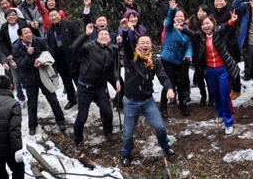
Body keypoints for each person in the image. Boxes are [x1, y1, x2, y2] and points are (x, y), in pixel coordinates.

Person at [116, 32, 175, 167]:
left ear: (151, 46)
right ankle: (126, 154)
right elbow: (127, 45)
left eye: (147, 43)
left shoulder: (155, 62)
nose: (145, 45)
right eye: (142, 43)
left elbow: (163, 77)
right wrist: (125, 31)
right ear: (137, 46)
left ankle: (165, 146)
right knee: (128, 133)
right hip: (131, 102)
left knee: (160, 127)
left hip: (148, 101)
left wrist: (169, 88)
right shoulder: (131, 58)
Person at [181, 12, 240, 135]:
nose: (205, 26)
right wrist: (181, 28)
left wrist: (232, 21)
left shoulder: (218, 32)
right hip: (210, 70)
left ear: (213, 23)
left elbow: (225, 26)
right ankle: (220, 113)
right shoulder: (201, 36)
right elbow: (191, 34)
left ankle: (229, 122)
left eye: (208, 23)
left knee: (224, 95)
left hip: (223, 69)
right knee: (216, 94)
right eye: (203, 24)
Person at [71, 23, 121, 151]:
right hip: (84, 87)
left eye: (106, 35)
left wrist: (116, 80)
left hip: (99, 87)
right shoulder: (90, 46)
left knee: (107, 111)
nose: (104, 36)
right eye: (101, 35)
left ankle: (108, 132)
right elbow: (74, 47)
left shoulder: (112, 50)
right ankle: (78, 139)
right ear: (97, 38)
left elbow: (112, 68)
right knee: (82, 115)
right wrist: (85, 34)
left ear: (110, 38)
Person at [12, 25, 66, 135]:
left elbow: (49, 53)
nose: (29, 35)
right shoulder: (16, 47)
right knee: (32, 104)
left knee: (53, 99)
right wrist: (28, 55)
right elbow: (20, 65)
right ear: (20, 36)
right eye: (26, 33)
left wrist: (41, 61)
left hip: (43, 74)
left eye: (30, 32)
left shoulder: (39, 41)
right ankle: (32, 126)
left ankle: (61, 121)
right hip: (29, 78)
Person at [158, 0, 192, 118]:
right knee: (169, 83)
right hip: (167, 60)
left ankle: (182, 105)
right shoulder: (170, 27)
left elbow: (189, 45)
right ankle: (163, 107)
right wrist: (172, 9)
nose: (179, 18)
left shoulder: (186, 30)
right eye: (177, 16)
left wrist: (188, 54)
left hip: (180, 61)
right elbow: (169, 18)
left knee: (181, 84)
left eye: (181, 16)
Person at [46, 9, 80, 110]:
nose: (54, 17)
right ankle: (72, 99)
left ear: (59, 14)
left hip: (72, 57)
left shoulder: (70, 25)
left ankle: (84, 99)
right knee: (66, 81)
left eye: (55, 15)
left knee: (78, 80)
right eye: (51, 16)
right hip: (60, 59)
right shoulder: (50, 31)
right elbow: (50, 45)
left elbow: (79, 38)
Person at [0, 9, 27, 106]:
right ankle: (21, 97)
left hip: (25, 54)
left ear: (17, 16)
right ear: (6, 18)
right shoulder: (4, 27)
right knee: (16, 79)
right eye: (9, 15)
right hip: (12, 56)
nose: (11, 17)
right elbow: (1, 42)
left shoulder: (23, 24)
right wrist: (7, 54)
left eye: (13, 15)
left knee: (28, 76)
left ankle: (32, 95)